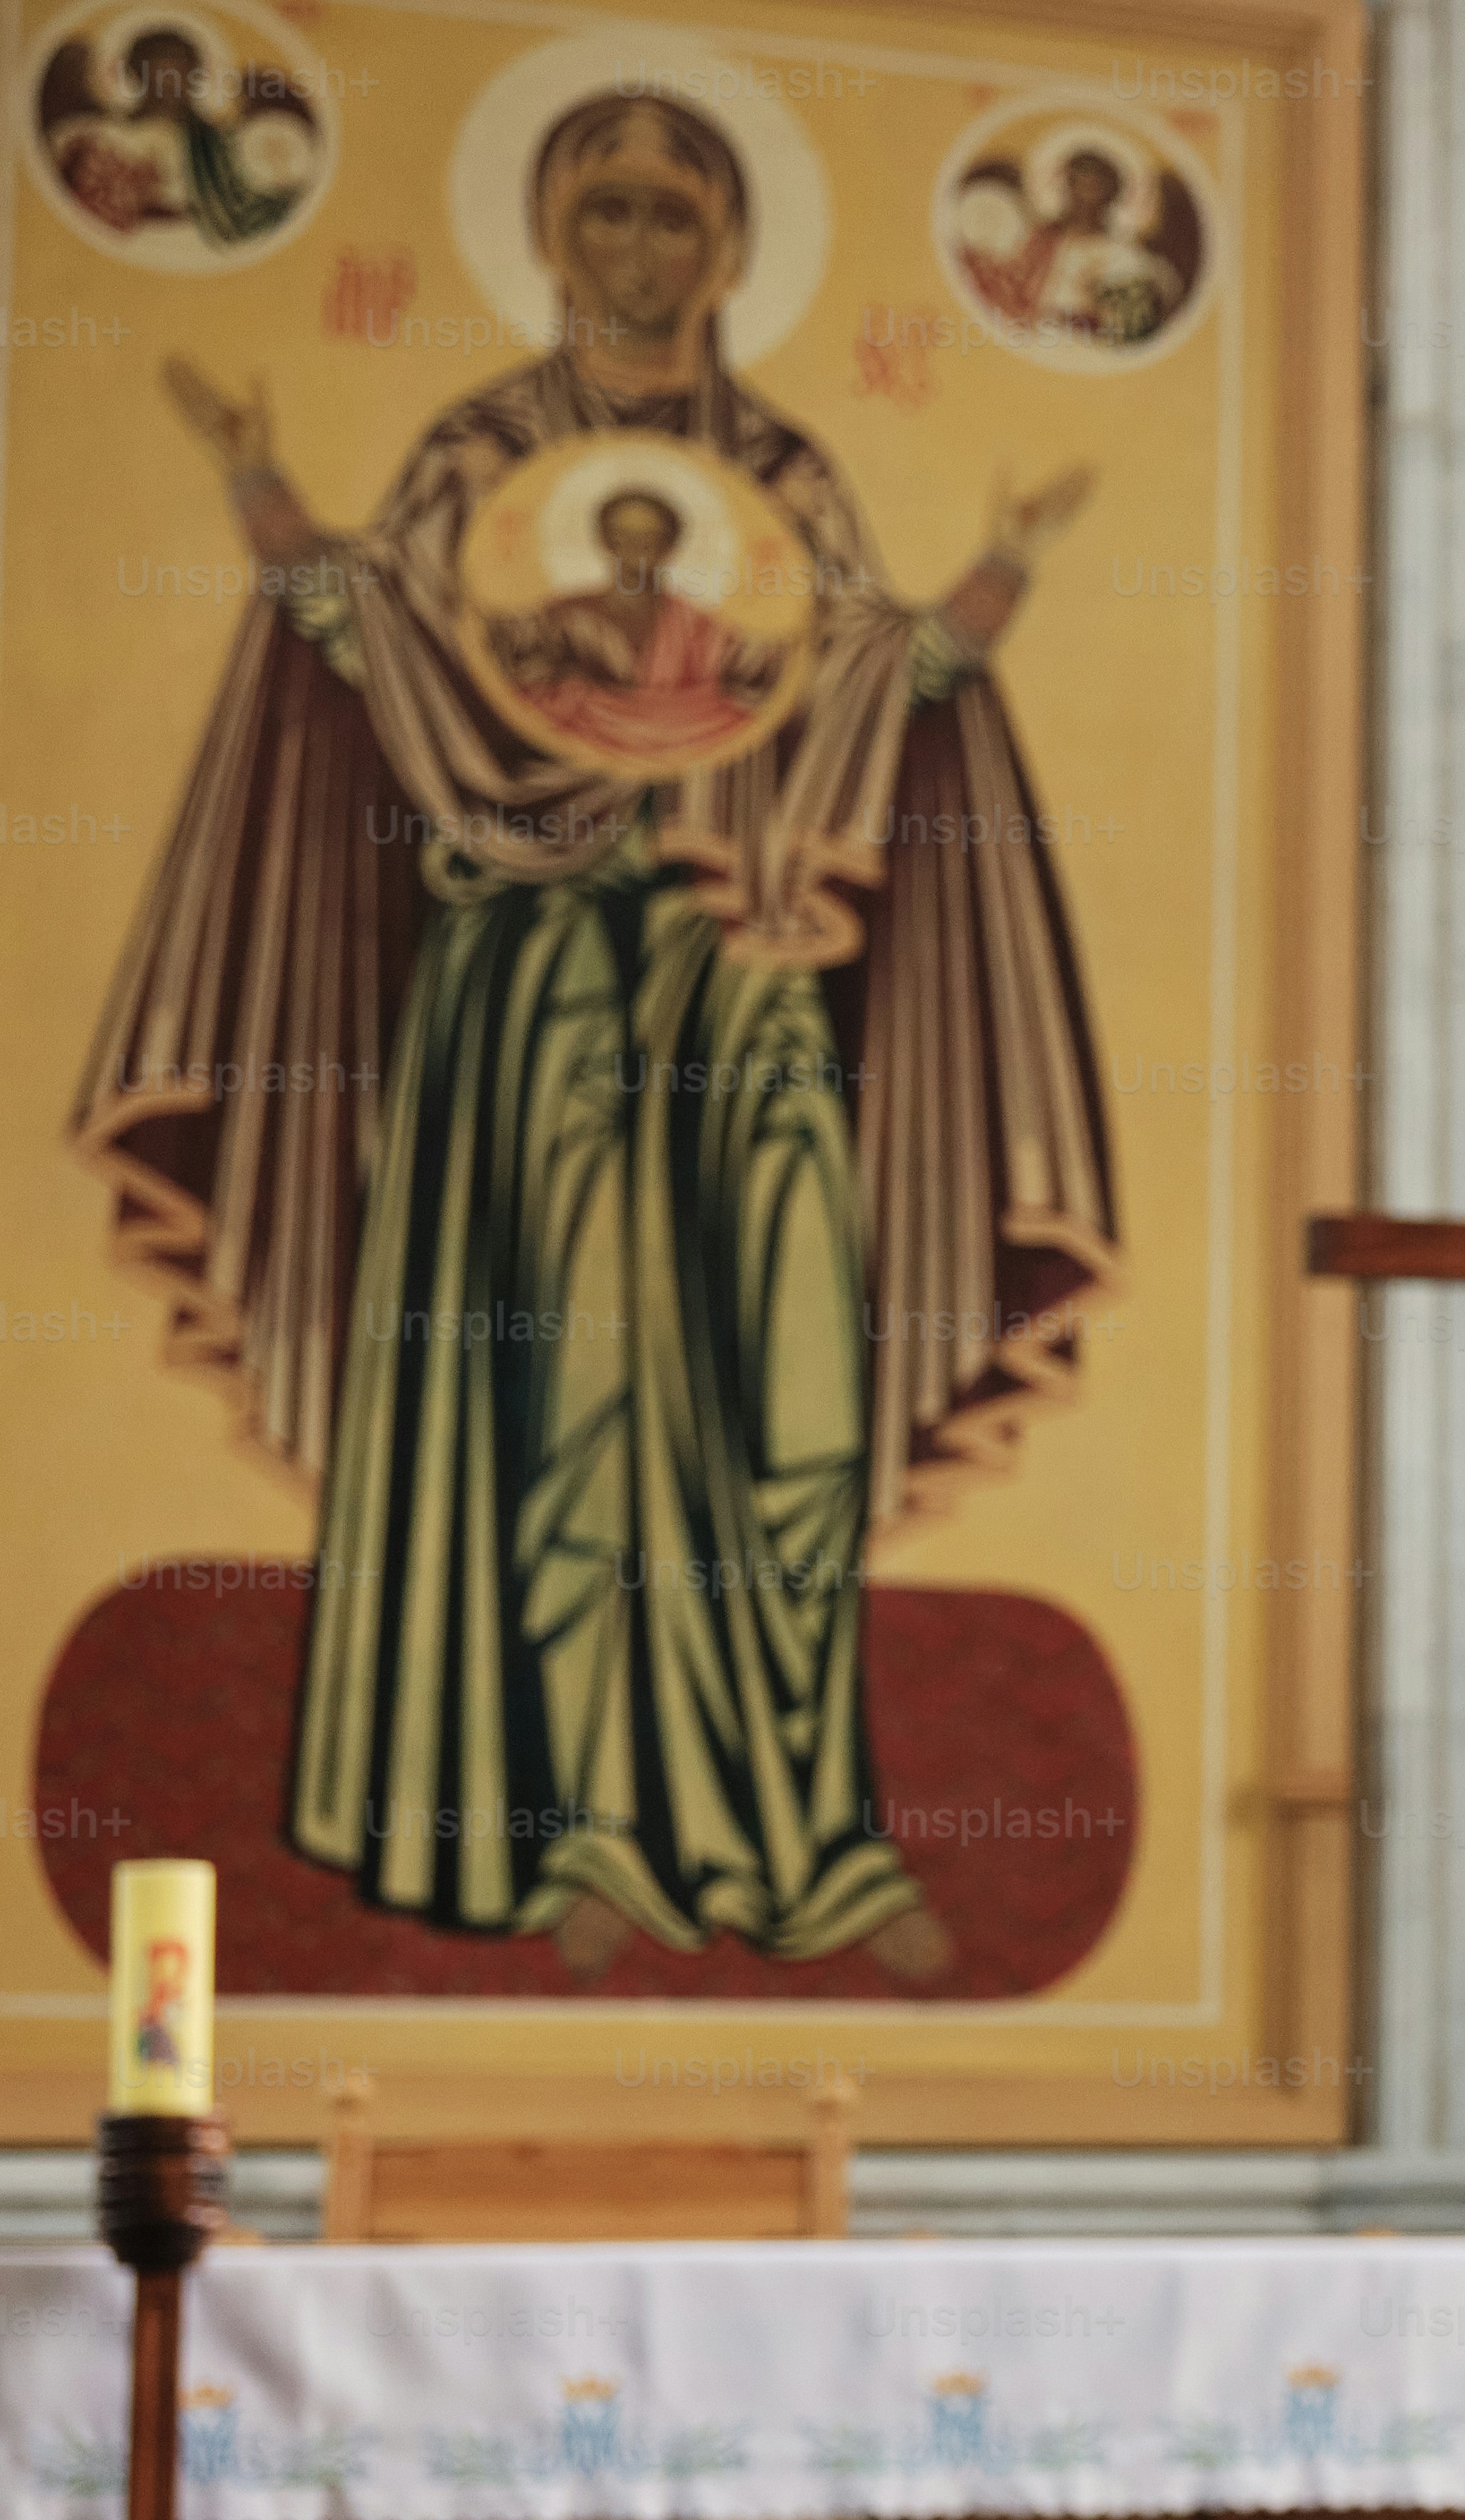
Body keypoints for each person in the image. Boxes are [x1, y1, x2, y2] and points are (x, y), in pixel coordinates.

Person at [90, 87, 1118, 1983]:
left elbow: (874, 682)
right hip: (541, 989)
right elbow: (385, 644)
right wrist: (256, 497)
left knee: (802, 1412)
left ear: (722, 252)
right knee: (570, 1410)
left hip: (748, 991)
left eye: (671, 218)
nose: (636, 251)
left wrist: (995, 580)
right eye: (606, 215)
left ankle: (797, 1836)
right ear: (557, 241)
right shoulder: (481, 461)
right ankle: (575, 1832)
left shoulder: (789, 481)